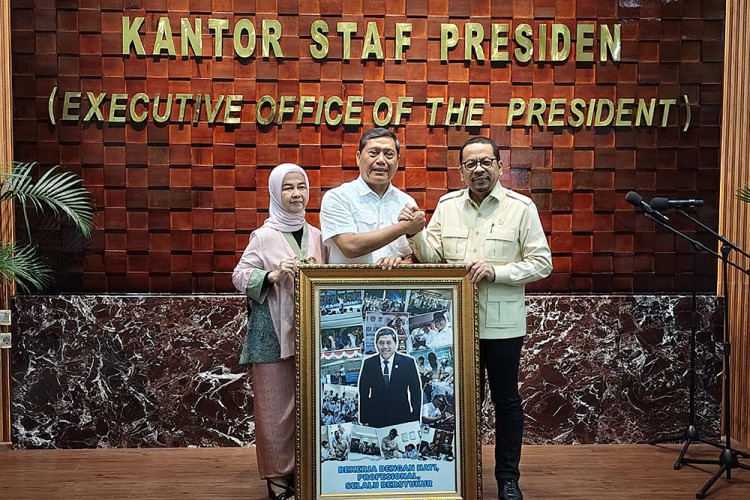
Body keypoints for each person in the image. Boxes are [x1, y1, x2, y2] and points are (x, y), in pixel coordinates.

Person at [403, 137, 552, 500]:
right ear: (461, 171)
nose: (479, 169)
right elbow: (433, 258)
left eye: (486, 162)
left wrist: (497, 272)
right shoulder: (447, 205)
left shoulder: (521, 208)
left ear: (500, 167)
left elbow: (542, 263)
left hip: (502, 326)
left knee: (506, 401)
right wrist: (414, 233)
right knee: (461, 403)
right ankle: (458, 477)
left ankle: (508, 479)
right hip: (456, 328)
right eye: (470, 164)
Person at [232, 163, 326, 500]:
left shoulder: (317, 235)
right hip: (270, 332)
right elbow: (239, 276)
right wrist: (271, 275)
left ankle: (302, 472)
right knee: (274, 410)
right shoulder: (264, 236)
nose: (296, 194)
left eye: (301, 186)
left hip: (309, 333)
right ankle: (277, 479)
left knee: (306, 406)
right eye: (288, 187)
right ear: (275, 193)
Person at [320, 127, 425, 268]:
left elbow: (418, 254)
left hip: (395, 282)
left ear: (398, 161)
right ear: (358, 158)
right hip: (351, 282)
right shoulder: (338, 198)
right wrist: (403, 228)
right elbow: (350, 247)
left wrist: (404, 263)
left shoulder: (407, 202)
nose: (381, 160)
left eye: (389, 155)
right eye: (373, 153)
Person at [358, 327, 422, 428]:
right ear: (376, 344)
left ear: (395, 343)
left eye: (388, 343)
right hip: (376, 420)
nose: (385, 346)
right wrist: (364, 420)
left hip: (402, 418)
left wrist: (415, 419)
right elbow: (363, 393)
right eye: (381, 343)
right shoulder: (368, 364)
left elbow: (416, 392)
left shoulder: (408, 362)